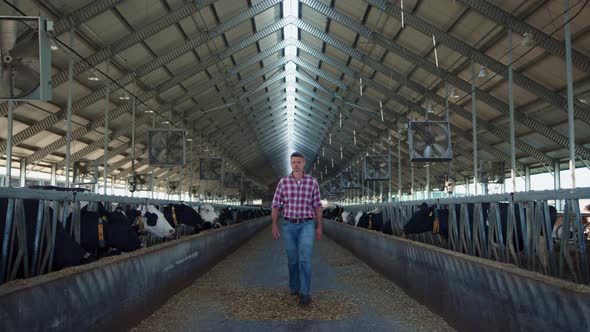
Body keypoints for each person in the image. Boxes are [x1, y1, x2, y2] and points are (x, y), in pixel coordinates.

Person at [271, 152, 323, 306]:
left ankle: (305, 292)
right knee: (292, 258)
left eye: (299, 162)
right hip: (288, 224)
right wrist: (274, 224)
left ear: (304, 163)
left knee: (305, 257)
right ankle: (294, 287)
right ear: (290, 164)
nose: (296, 165)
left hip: (307, 223)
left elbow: (318, 205)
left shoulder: (312, 182)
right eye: (293, 162)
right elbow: (275, 204)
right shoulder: (283, 182)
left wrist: (319, 225)